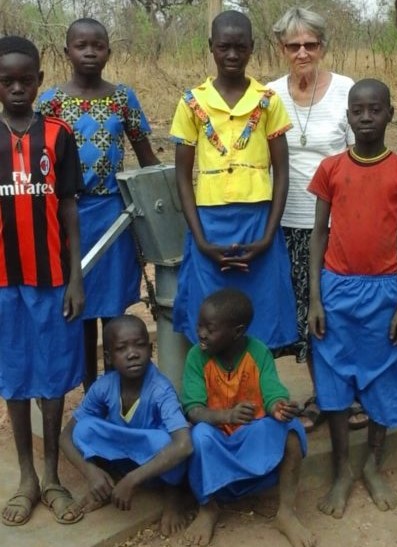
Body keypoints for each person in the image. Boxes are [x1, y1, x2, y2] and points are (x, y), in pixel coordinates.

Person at [308, 78, 397, 517]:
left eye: (374, 109)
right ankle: (342, 470)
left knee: (384, 376)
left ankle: (372, 464)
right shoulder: (331, 170)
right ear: (347, 115)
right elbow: (318, 234)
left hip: (383, 290)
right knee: (335, 380)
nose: (365, 117)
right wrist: (315, 299)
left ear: (389, 114)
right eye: (357, 110)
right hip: (336, 288)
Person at [37, 18, 160, 391]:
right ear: (67, 52)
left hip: (114, 215)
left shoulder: (123, 98)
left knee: (112, 308)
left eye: (98, 45)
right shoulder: (50, 103)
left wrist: (167, 201)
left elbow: (145, 157)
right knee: (80, 308)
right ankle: (91, 391)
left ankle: (117, 387)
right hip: (69, 216)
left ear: (109, 51)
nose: (90, 52)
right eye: (81, 45)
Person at [170, 10, 297, 354]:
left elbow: (281, 171)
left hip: (258, 223)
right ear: (211, 47)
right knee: (208, 315)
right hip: (208, 225)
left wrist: (268, 237)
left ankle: (256, 398)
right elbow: (182, 174)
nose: (231, 55)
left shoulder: (268, 101)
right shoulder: (192, 102)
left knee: (261, 312)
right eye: (224, 46)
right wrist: (201, 241)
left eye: (240, 47)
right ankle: (214, 401)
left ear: (252, 48)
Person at [268, 7, 367, 432]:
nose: (303, 52)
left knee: (342, 309)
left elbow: (359, 159)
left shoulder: (347, 91)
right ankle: (325, 396)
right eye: (294, 46)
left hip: (337, 223)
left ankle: (352, 392)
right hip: (287, 222)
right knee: (306, 313)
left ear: (323, 46)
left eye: (311, 44)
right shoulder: (269, 95)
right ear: (281, 49)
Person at [0, 36, 85, 526]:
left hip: (52, 279)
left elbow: (69, 207)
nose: (16, 88)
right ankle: (26, 478)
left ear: (39, 79)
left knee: (52, 375)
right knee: (14, 375)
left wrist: (75, 276)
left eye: (24, 80)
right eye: (6, 81)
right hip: (4, 283)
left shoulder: (57, 134)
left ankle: (52, 476)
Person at [181, 288, 314, 547]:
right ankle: (208, 508)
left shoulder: (258, 351)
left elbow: (273, 391)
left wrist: (279, 407)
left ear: (237, 331)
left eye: (210, 328)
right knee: (197, 437)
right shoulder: (196, 357)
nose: (202, 333)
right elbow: (193, 410)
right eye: (200, 325)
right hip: (217, 437)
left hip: (251, 434)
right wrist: (226, 415)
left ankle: (286, 512)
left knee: (291, 432)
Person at [60, 315, 193, 535]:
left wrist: (133, 479)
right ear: (109, 357)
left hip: (154, 467)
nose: (132, 354)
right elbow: (65, 437)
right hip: (123, 457)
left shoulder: (161, 389)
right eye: (122, 348)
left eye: (140, 345)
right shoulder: (104, 386)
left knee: (170, 442)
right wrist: (90, 472)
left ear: (150, 349)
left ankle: (173, 499)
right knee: (84, 429)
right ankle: (106, 485)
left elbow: (185, 445)